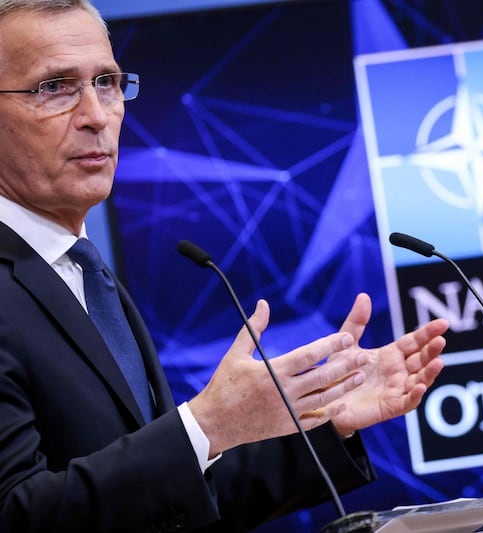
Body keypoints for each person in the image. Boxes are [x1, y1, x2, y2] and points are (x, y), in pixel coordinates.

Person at [0, 1, 449, 531]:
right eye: (55, 87)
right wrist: (206, 424)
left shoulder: (82, 274)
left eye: (107, 81)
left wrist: (329, 426)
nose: (97, 114)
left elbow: (170, 506)